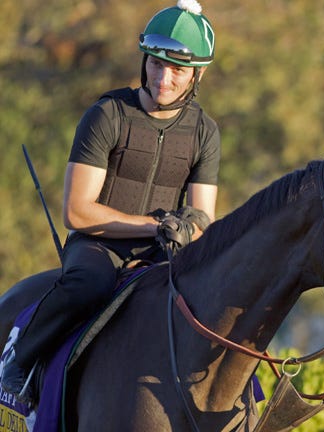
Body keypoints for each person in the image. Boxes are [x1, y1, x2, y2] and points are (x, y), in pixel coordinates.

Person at [1, 0, 219, 405]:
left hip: (163, 253)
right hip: (98, 247)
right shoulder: (108, 114)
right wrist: (154, 225)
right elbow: (77, 211)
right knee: (90, 285)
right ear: (144, 60)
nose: (164, 79)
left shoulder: (205, 132)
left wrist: (187, 228)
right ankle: (19, 359)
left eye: (177, 70)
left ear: (198, 74)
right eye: (156, 64)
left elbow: (205, 217)